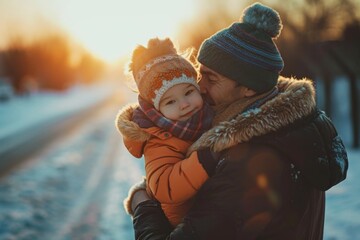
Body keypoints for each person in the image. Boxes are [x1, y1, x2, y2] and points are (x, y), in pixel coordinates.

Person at [126, 2, 349, 240]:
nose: (199, 87)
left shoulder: (247, 161)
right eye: (200, 75)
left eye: (211, 79)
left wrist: (143, 203)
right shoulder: (297, 128)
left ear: (248, 89)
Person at [115, 38, 217, 227]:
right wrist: (204, 159)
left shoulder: (210, 115)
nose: (184, 104)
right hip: (183, 224)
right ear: (156, 109)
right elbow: (164, 186)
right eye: (170, 102)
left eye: (188, 92)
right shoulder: (159, 141)